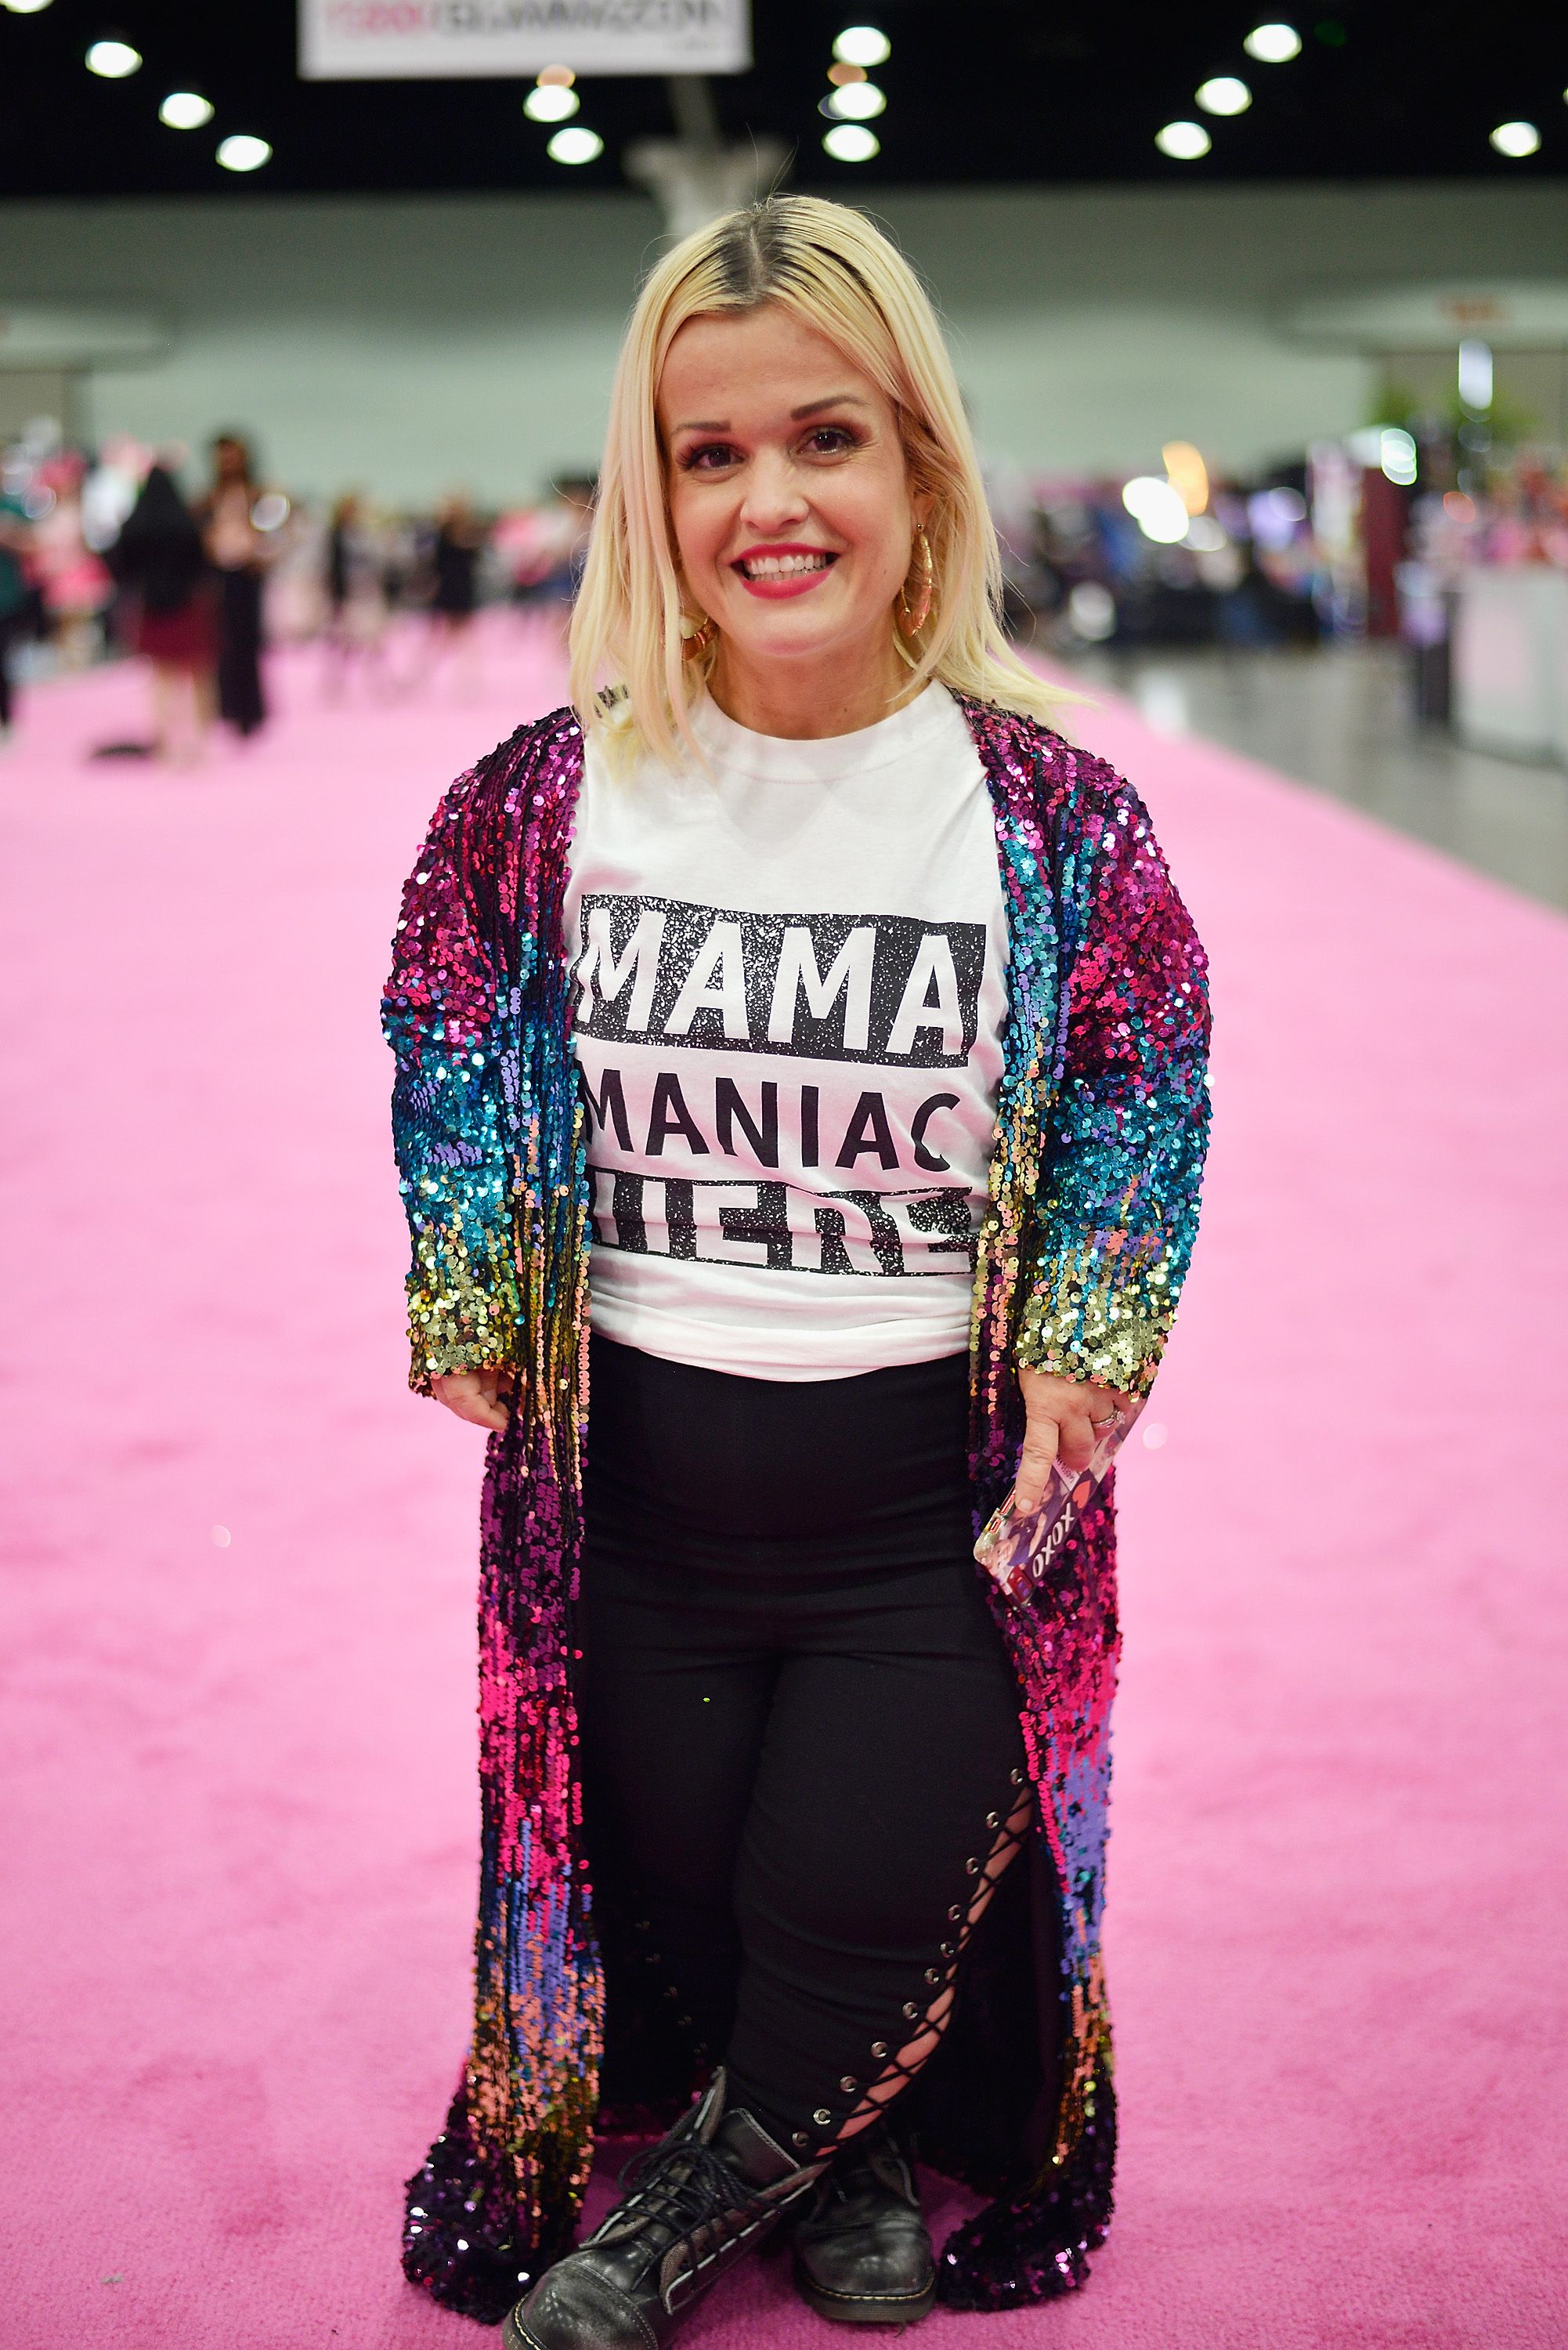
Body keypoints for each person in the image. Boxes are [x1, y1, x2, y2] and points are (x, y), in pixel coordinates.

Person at [383, 196, 1212, 2345]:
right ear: (649, 492)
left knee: (860, 1897)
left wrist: (1091, 1333)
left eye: (825, 439)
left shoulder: (1051, 818)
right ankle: (826, 2155)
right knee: (687, 1913)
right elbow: (444, 1006)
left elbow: (1144, 1070)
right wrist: (465, 1259)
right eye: (709, 450)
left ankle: (650, 2256)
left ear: (917, 465)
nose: (770, 499)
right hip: (635, 1513)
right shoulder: (538, 805)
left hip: (918, 1531)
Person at [104, 463, 215, 763]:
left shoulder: (136, 526)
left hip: (152, 609)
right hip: (188, 608)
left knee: (161, 679)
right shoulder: (186, 524)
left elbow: (118, 566)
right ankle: (199, 741)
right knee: (197, 677)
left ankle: (166, 742)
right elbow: (203, 567)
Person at [199, 432, 267, 736]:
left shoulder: (258, 495)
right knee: (220, 643)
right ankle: (225, 708)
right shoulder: (208, 498)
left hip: (248, 575)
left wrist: (261, 555)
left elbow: (278, 534)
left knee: (248, 643)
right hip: (219, 576)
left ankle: (250, 711)